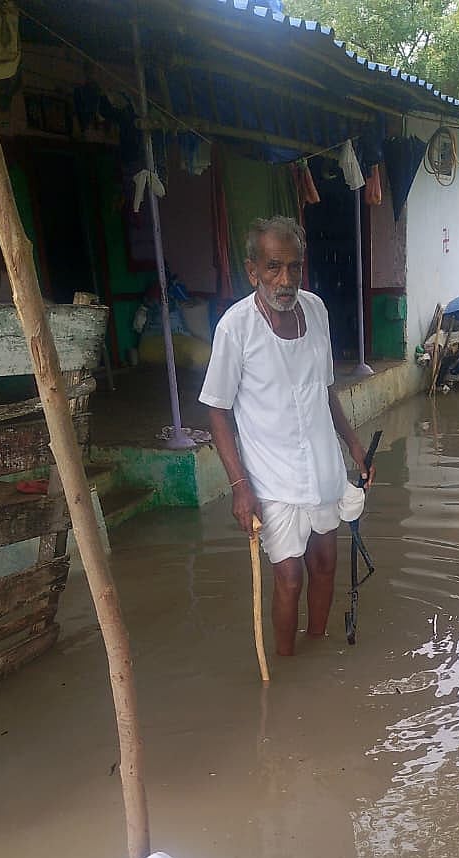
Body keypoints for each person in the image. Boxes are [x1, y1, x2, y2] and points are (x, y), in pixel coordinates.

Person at [199, 216, 375, 656]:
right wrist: (240, 487)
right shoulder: (234, 328)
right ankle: (286, 663)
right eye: (274, 267)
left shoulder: (316, 311)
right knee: (289, 576)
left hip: (322, 465)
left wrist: (355, 449)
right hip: (270, 476)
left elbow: (326, 389)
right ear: (252, 270)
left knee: (325, 562)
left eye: (294, 267)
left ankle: (315, 651)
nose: (285, 280)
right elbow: (216, 412)